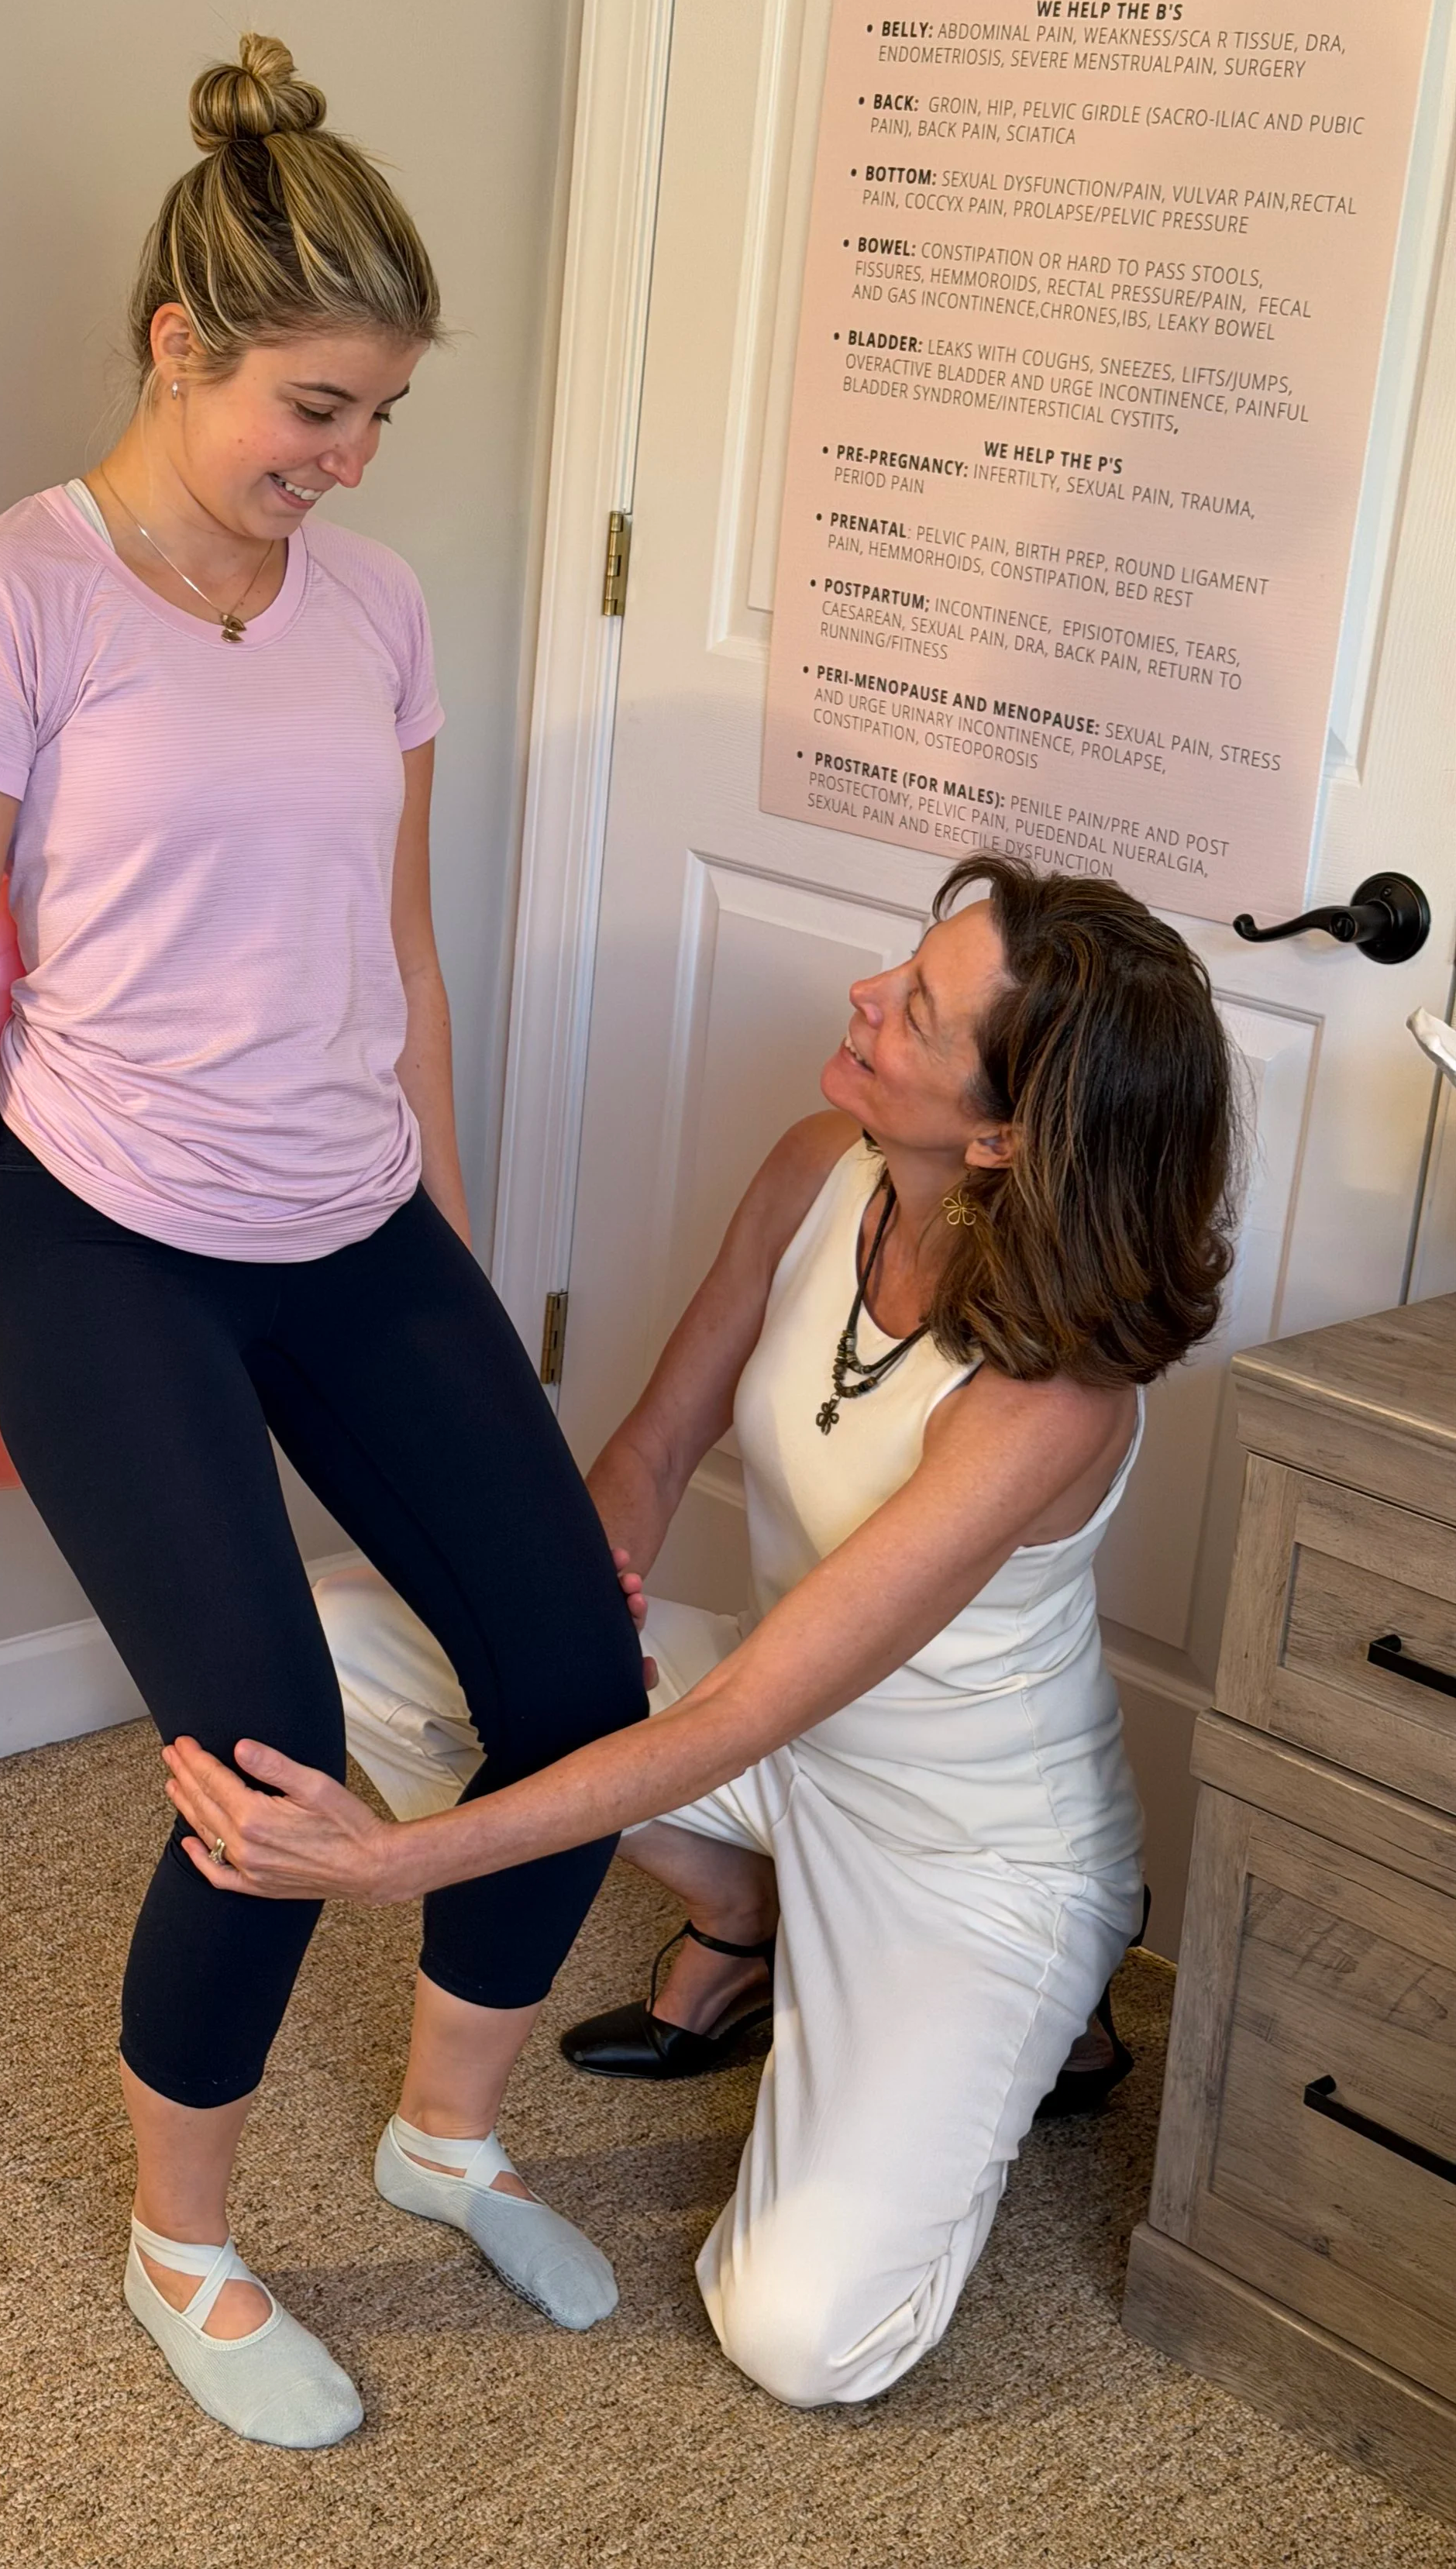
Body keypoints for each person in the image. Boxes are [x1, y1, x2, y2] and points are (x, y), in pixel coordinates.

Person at [0, 36, 646, 2451]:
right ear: (178, 343)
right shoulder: (7, 600)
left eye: (382, 418)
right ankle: (180, 2243)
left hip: (349, 1208)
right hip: (104, 1235)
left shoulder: (372, 604)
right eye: (315, 404)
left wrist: (443, 1194)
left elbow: (393, 935)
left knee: (584, 1689)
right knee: (273, 1758)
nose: (348, 462)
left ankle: (446, 2135)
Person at [160, 853, 1238, 2409]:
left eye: (917, 1011)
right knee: (353, 1640)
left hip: (964, 1841)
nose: (866, 997)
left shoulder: (1053, 1399)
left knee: (798, 2337)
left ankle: (1035, 2000)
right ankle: (745, 1914)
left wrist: (383, 1865)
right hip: (766, 1723)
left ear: (1005, 1133)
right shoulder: (823, 1166)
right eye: (901, 968)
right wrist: (561, 1620)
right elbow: (653, 1458)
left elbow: (729, 1719)